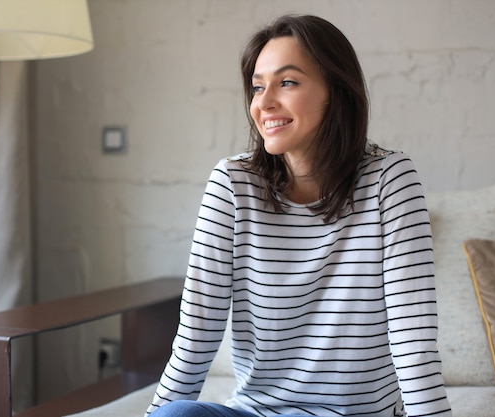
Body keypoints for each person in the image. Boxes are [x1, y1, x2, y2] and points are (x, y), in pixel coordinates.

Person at [146, 14, 453, 417]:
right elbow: (196, 335)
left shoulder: (389, 179)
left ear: (336, 90)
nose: (264, 102)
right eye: (258, 87)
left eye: (287, 82)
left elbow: (413, 342)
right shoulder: (232, 183)